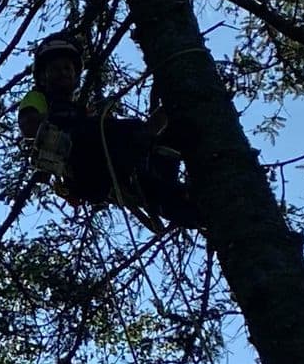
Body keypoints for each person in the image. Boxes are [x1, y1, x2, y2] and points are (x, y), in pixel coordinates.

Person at [15, 33, 202, 228]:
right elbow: (29, 125)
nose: (63, 73)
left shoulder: (82, 113)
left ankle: (193, 206)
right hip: (85, 166)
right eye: (55, 69)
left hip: (108, 167)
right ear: (43, 77)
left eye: (67, 68)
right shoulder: (38, 97)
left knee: (159, 179)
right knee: (130, 132)